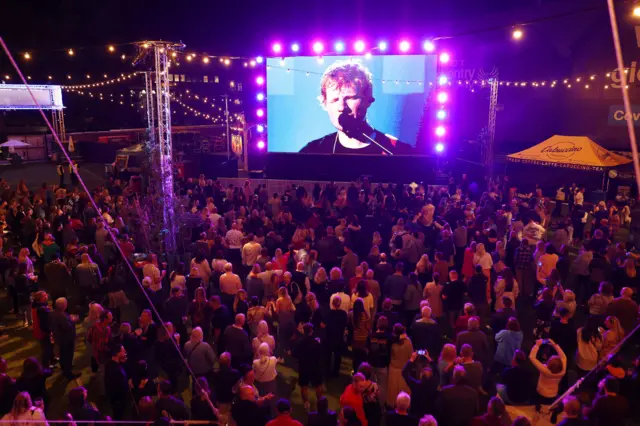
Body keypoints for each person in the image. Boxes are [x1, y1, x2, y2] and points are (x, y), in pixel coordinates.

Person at [300, 60, 412, 155]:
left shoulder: (396, 150)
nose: (341, 107)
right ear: (325, 104)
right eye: (334, 100)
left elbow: (421, 180)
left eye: (350, 98)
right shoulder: (312, 152)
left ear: (368, 100)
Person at [293, 323, 324, 410]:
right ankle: (320, 401)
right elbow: (321, 354)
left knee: (304, 386)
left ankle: (306, 402)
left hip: (304, 366)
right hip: (315, 366)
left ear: (304, 331)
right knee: (318, 385)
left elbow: (295, 354)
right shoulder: (316, 342)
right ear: (312, 331)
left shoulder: (299, 342)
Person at [529, 338, 566, 410]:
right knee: (548, 408)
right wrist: (555, 345)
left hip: (541, 392)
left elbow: (532, 357)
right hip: (553, 394)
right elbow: (563, 357)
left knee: (539, 406)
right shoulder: (563, 371)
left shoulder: (544, 370)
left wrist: (537, 345)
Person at [402, 352, 439, 419]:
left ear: (421, 375)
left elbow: (404, 372)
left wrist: (411, 359)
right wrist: (430, 359)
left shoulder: (415, 385)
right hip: (428, 417)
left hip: (415, 416)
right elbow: (437, 372)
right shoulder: (434, 385)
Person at [50, 297, 79, 380]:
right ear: (63, 305)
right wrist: (73, 320)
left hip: (60, 339)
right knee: (68, 356)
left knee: (63, 355)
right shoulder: (61, 315)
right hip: (66, 340)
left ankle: (65, 368)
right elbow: (67, 327)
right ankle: (68, 373)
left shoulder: (55, 313)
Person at [387, 324, 413, 407]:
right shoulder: (408, 341)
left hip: (393, 370)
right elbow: (411, 356)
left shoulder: (391, 342)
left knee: (392, 392)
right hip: (404, 370)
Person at [104, 343, 129, 420]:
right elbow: (123, 388)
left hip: (112, 398)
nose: (125, 352)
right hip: (118, 400)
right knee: (119, 416)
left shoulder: (109, 363)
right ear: (117, 354)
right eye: (123, 351)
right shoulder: (118, 371)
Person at [325, 296, 348, 377]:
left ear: (332, 303)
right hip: (339, 337)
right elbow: (345, 324)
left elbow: (325, 325)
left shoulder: (328, 313)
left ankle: (327, 371)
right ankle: (336, 372)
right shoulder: (343, 314)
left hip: (329, 337)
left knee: (328, 356)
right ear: (340, 304)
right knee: (337, 356)